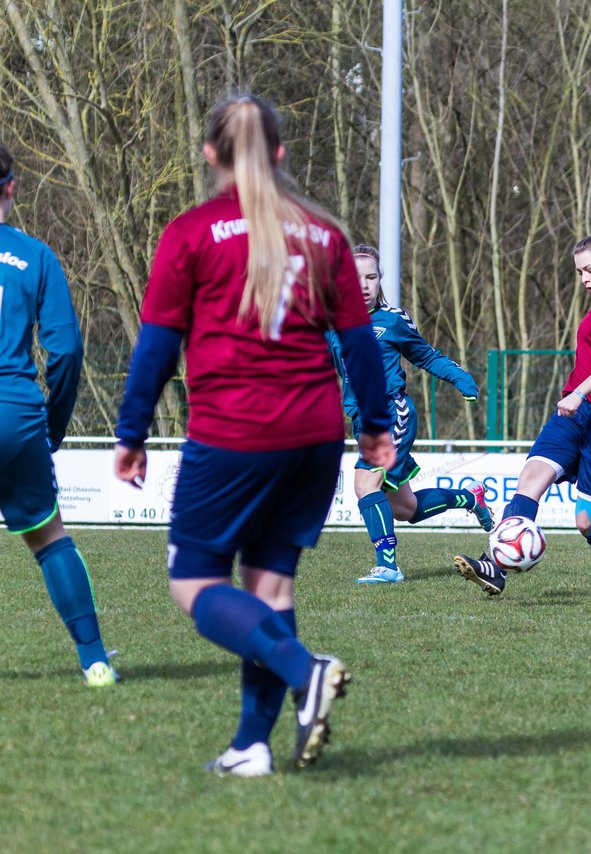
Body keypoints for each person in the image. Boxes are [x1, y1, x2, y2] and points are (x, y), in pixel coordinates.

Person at [112, 93, 394, 777]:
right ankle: (252, 746)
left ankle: (307, 670)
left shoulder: (189, 233)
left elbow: (156, 347)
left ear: (210, 155)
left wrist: (131, 433)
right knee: (270, 590)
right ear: (279, 153)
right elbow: (360, 344)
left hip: (235, 430)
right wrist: (375, 428)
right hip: (315, 433)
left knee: (192, 581)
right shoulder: (325, 235)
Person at [454, 231, 591, 597]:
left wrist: (579, 393)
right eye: (579, 273)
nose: (585, 279)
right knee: (531, 478)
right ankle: (495, 567)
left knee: (587, 522)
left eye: (589, 270)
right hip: (576, 412)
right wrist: (576, 397)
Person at [0, 143, 118, 687]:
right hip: (16, 414)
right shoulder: (36, 257)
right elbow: (66, 351)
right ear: (12, 187)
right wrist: (55, 422)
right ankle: (94, 660)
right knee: (48, 536)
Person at [326, 244, 493, 584]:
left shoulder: (393, 320)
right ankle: (469, 498)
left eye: (371, 277)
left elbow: (427, 356)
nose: (364, 285)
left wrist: (461, 378)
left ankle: (388, 566)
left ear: (379, 280)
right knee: (405, 509)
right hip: (363, 421)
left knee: (365, 482)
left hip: (392, 413)